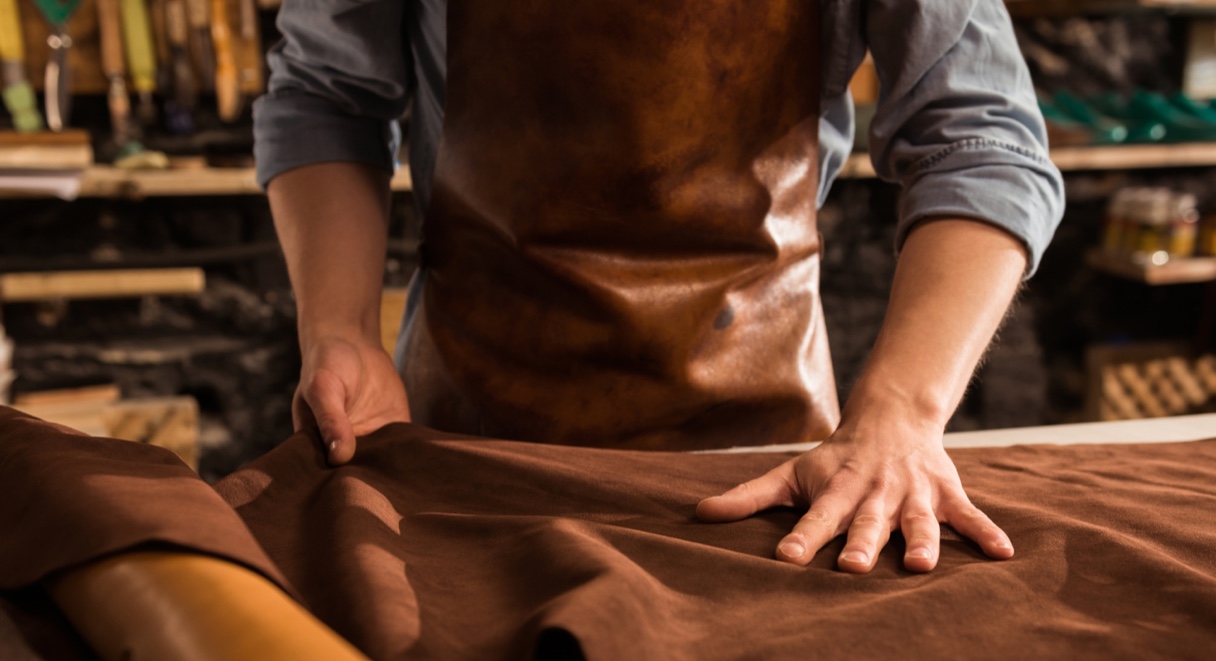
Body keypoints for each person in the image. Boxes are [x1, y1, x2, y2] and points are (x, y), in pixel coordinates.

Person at [253, 0, 1065, 576]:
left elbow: (982, 142)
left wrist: (902, 414)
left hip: (765, 470)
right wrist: (343, 331)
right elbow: (326, 97)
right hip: (463, 438)